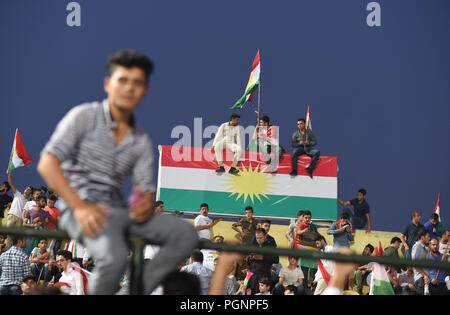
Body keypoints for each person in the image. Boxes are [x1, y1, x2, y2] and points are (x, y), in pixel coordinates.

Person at [37, 50, 199, 294]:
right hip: (78, 208)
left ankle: (135, 290)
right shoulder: (83, 117)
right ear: (107, 84)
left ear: (144, 91)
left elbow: (142, 192)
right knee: (114, 259)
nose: (129, 88)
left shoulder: (140, 140)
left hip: (117, 213)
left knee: (185, 234)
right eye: (123, 80)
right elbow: (47, 164)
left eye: (137, 83)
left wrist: (142, 202)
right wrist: (81, 207)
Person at [247, 228, 279, 295]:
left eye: (260, 238)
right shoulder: (253, 246)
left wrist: (263, 257)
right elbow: (248, 261)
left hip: (264, 275)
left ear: (265, 236)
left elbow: (276, 259)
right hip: (252, 276)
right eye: (257, 238)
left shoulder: (270, 246)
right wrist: (250, 258)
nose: (258, 240)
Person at [5, 170, 32, 248]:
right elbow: (11, 184)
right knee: (8, 235)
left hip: (20, 220)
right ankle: (7, 251)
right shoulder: (18, 194)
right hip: (12, 216)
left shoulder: (28, 202)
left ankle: (13, 252)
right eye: (26, 188)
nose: (27, 190)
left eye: (29, 190)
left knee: (15, 238)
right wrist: (9, 174)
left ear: (30, 194)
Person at [411, 228, 431, 295]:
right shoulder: (417, 246)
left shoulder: (423, 247)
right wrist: (425, 275)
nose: (429, 238)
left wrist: (428, 252)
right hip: (421, 279)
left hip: (425, 279)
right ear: (422, 237)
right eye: (428, 236)